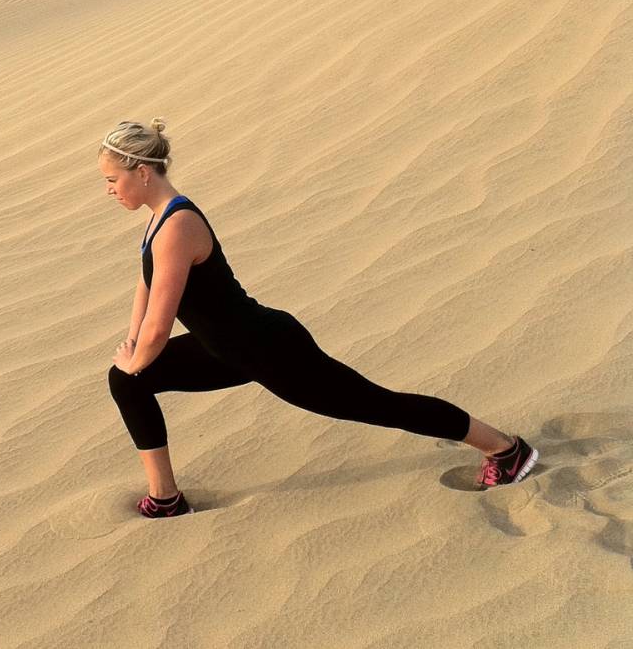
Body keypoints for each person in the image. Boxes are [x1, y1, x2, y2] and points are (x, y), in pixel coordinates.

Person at [99, 118, 539, 519]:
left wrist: (138, 355)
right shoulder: (157, 218)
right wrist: (132, 347)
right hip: (229, 350)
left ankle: (505, 450)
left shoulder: (178, 225)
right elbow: (147, 283)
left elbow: (162, 325)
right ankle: (166, 497)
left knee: (379, 405)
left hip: (269, 349)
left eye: (112, 180)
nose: (109, 190)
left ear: (142, 172)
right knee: (127, 381)